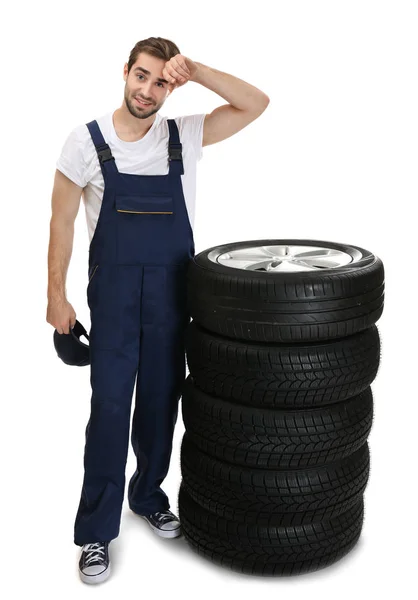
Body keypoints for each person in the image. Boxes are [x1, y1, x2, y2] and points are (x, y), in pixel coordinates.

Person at [46, 36, 269, 585]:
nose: (148, 90)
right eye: (141, 76)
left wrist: (196, 70)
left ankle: (147, 496)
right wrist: (55, 294)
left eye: (161, 80)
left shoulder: (184, 135)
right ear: (125, 72)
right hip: (116, 300)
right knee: (110, 411)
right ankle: (96, 532)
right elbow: (62, 222)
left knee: (160, 404)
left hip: (173, 293)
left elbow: (255, 103)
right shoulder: (85, 142)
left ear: (172, 84)